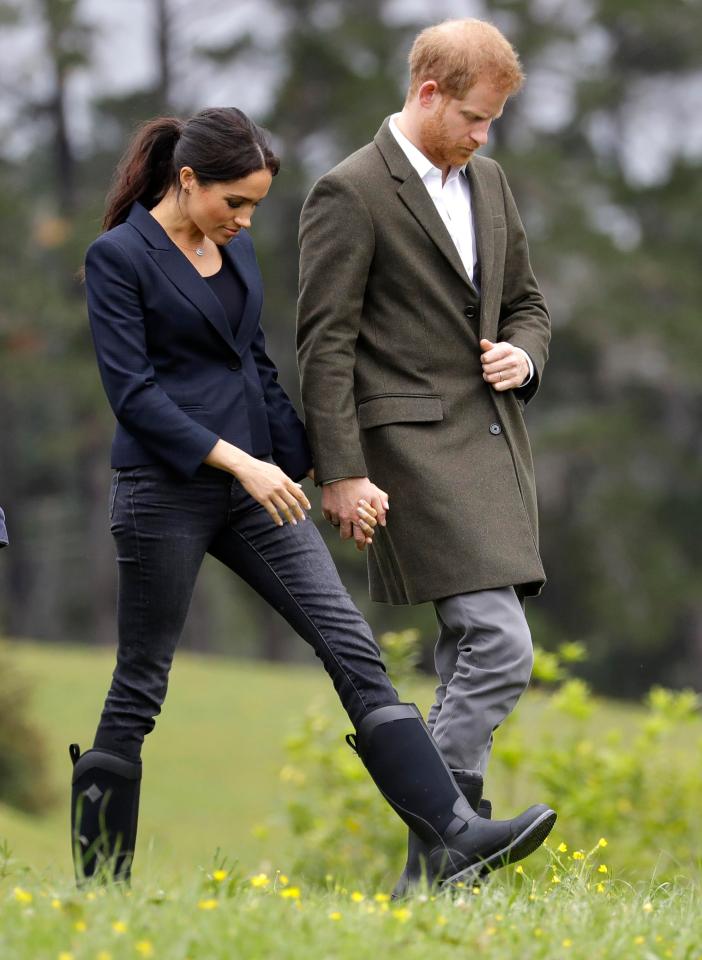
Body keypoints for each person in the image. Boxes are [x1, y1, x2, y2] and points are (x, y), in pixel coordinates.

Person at [73, 106, 555, 886]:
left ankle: (449, 835)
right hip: (166, 493)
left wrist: (331, 469)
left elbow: (255, 368)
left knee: (353, 650)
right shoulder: (117, 258)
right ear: (187, 180)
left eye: (257, 204)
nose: (246, 218)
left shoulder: (234, 252)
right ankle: (99, 884)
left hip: (257, 491)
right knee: (141, 683)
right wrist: (242, 464)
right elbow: (135, 397)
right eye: (235, 201)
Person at [297, 19, 552, 895]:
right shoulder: (350, 191)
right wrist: (342, 470)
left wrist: (525, 359)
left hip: (493, 448)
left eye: (496, 124)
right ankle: (447, 844)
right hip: (406, 456)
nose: (485, 137)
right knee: (498, 643)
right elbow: (325, 346)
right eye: (476, 118)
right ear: (429, 92)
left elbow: (527, 306)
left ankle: (439, 867)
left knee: (472, 651)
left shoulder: (491, 184)